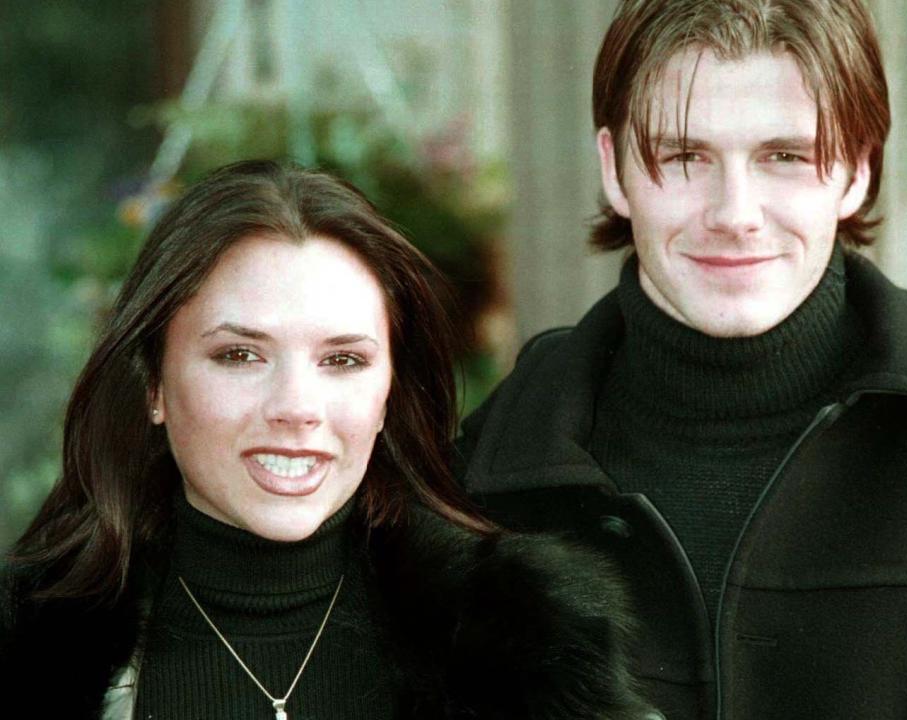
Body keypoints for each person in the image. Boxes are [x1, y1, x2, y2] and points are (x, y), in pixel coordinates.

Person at [0, 160, 654, 719]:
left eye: (342, 360)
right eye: (239, 355)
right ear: (153, 387)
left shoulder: (529, 642)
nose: (296, 408)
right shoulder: (28, 646)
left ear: (387, 394)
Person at [457, 1, 907, 718]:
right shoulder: (480, 485)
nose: (735, 212)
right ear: (614, 170)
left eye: (784, 157)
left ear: (856, 171)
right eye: (685, 157)